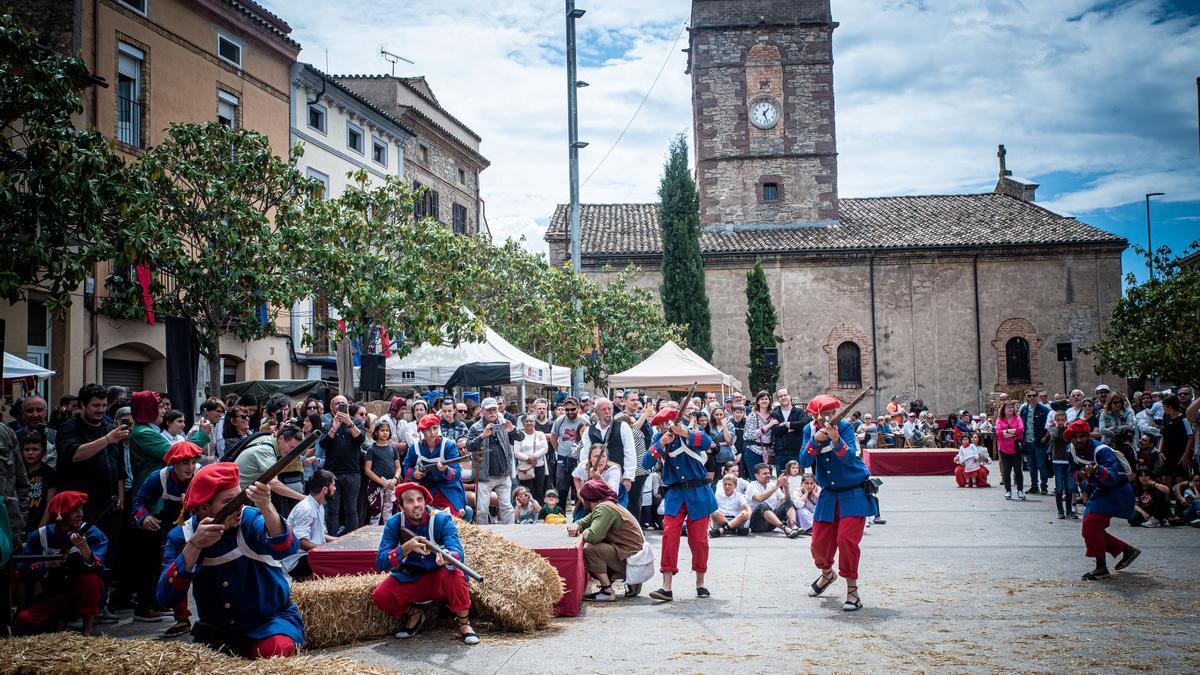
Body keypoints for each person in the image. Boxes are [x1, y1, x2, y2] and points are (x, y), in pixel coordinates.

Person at [157, 463, 303, 658]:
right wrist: (194, 547)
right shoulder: (182, 537)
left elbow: (286, 548)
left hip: (269, 624)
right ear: (203, 508)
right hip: (217, 634)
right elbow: (166, 597)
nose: (238, 508)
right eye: (228, 502)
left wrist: (266, 505)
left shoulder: (249, 520)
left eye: (239, 498)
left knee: (274, 651)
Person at [372, 482, 478, 645]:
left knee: (456, 574)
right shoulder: (394, 523)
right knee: (381, 595)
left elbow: (458, 551)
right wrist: (406, 548)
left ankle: (464, 623)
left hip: (440, 578)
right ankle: (415, 614)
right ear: (401, 506)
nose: (416, 505)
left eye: (419, 500)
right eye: (410, 501)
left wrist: (449, 556)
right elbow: (381, 561)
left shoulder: (442, 519)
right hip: (412, 578)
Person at [799, 395, 877, 612]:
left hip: (853, 493)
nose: (830, 417)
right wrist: (815, 442)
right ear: (816, 416)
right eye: (825, 413)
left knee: (846, 541)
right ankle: (827, 575)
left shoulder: (844, 428)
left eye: (833, 412)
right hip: (829, 494)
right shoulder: (809, 430)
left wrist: (835, 440)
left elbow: (850, 458)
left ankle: (853, 591)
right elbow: (803, 461)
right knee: (818, 544)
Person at [643, 406, 718, 601]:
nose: (663, 427)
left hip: (698, 492)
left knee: (699, 540)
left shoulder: (689, 433)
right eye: (660, 425)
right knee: (669, 535)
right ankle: (666, 587)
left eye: (666, 423)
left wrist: (683, 432)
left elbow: (709, 442)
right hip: (675, 493)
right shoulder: (658, 439)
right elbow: (645, 463)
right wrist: (661, 443)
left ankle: (700, 582)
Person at [131, 440, 202, 634]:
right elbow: (139, 501)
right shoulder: (159, 478)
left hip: (201, 525)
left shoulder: (202, 476)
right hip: (173, 529)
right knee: (174, 570)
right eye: (185, 463)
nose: (190, 467)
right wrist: (144, 517)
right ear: (174, 464)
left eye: (192, 462)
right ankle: (181, 619)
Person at [14, 491, 107, 635]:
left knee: (91, 581)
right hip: (52, 593)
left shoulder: (91, 532)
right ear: (61, 514)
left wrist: (85, 550)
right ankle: (57, 621)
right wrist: (48, 564)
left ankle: (87, 629)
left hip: (81, 592)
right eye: (74, 510)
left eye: (81, 509)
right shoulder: (41, 536)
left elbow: (99, 567)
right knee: (24, 620)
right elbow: (24, 570)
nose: (80, 514)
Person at [1064, 420, 1140, 581]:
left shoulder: (1101, 450)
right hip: (1101, 490)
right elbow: (1073, 472)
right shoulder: (1071, 450)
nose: (1079, 440)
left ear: (1088, 436)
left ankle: (1101, 567)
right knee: (1088, 529)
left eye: (1082, 436)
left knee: (1091, 524)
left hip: (1118, 491)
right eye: (1075, 437)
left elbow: (1112, 477)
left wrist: (1098, 471)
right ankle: (1125, 550)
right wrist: (1082, 475)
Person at [568, 479, 652, 601]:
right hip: (633, 556)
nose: (582, 502)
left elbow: (593, 536)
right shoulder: (607, 505)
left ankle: (607, 591)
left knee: (590, 548)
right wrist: (576, 526)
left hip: (632, 560)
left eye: (583, 499)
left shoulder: (604, 508)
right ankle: (631, 581)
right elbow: (582, 522)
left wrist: (583, 531)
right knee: (599, 544)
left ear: (590, 499)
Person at [467, 398, 522, 525]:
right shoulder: (476, 427)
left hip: (503, 474)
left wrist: (512, 430)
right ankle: (484, 537)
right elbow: (469, 446)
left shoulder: (504, 423)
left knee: (507, 507)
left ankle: (511, 536)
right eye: (489, 410)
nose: (492, 412)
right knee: (481, 510)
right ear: (482, 411)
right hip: (484, 476)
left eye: (494, 409)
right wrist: (482, 436)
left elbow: (521, 437)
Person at [403, 413, 468, 518]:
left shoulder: (448, 446)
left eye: (435, 428)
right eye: (428, 429)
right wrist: (414, 473)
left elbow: (457, 472)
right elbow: (406, 466)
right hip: (427, 487)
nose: (432, 432)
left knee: (452, 515)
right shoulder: (415, 447)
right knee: (424, 516)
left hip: (449, 487)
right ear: (422, 431)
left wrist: (446, 470)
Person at [234, 426, 307, 518]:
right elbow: (274, 484)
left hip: (245, 493)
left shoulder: (268, 438)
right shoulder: (266, 451)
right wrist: (303, 498)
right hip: (237, 498)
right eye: (291, 447)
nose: (292, 452)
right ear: (281, 438)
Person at [320, 397, 365, 535]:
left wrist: (350, 424)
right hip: (332, 473)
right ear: (331, 406)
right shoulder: (327, 424)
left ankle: (352, 540)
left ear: (348, 405)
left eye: (343, 404)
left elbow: (361, 439)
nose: (340, 405)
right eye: (336, 403)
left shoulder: (356, 421)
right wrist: (334, 429)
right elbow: (323, 444)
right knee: (333, 510)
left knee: (351, 509)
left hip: (352, 472)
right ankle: (332, 540)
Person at [284, 470, 339, 582]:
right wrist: (325, 550)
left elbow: (319, 534)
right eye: (333, 486)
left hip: (310, 554)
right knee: (336, 561)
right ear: (324, 489)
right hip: (296, 560)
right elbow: (300, 541)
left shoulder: (319, 506)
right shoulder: (306, 509)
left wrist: (339, 541)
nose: (335, 489)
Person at [587, 397, 637, 506]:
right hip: (596, 477)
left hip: (618, 476)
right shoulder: (589, 430)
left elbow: (630, 452)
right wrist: (586, 474)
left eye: (609, 409)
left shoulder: (622, 427)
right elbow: (584, 454)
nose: (607, 412)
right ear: (596, 412)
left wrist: (628, 477)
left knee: (619, 509)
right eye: (603, 409)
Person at [549, 397, 589, 505]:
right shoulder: (560, 421)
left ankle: (579, 518)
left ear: (578, 408)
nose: (570, 412)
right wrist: (559, 450)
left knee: (579, 491)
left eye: (573, 409)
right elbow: (553, 437)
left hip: (579, 460)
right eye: (567, 410)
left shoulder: (584, 421)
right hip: (563, 460)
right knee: (561, 491)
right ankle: (561, 517)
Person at [746, 463, 800, 537]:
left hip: (772, 523)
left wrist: (786, 488)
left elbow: (785, 501)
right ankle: (784, 528)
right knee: (763, 505)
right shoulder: (751, 485)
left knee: (789, 502)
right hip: (757, 524)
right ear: (756, 476)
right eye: (765, 473)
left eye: (769, 473)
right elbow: (760, 498)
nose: (768, 475)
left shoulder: (772, 485)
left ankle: (793, 526)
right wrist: (777, 486)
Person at [364, 421, 401, 526]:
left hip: (390, 485)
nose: (385, 433)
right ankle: (374, 536)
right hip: (376, 486)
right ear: (376, 432)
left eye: (387, 430)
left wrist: (395, 479)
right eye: (382, 430)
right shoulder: (372, 449)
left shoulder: (393, 448)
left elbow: (398, 467)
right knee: (376, 512)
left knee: (388, 512)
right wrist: (381, 482)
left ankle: (387, 535)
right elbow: (367, 470)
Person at [1019, 389, 1052, 495]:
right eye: (1030, 395)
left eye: (1034, 395)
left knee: (1042, 464)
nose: (1032, 397)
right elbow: (1021, 424)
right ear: (1026, 397)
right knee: (1031, 465)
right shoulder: (1024, 409)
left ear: (1037, 397)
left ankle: (1044, 487)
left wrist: (1045, 437)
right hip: (1027, 441)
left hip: (1039, 441)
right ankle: (1034, 486)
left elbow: (1049, 425)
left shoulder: (1044, 410)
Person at [20, 431, 56, 528]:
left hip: (38, 524)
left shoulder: (49, 474)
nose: (30, 453)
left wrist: (40, 528)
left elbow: (50, 504)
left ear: (44, 452)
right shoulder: (17, 472)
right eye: (26, 449)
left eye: (35, 449)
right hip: (18, 523)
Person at [768, 388, 808, 474]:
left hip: (796, 452)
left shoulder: (799, 412)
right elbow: (775, 430)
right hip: (780, 453)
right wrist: (793, 427)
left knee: (798, 479)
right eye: (780, 396)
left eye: (785, 395)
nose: (783, 397)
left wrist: (787, 424)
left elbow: (804, 424)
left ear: (789, 396)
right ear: (778, 399)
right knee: (782, 481)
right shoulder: (775, 414)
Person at [514, 416, 549, 503]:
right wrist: (527, 458)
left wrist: (534, 456)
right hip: (525, 468)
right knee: (527, 492)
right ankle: (527, 512)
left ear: (534, 423)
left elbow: (545, 448)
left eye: (531, 421)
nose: (529, 423)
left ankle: (539, 513)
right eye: (527, 421)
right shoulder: (519, 435)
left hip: (539, 466)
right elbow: (516, 452)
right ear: (523, 423)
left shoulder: (540, 434)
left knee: (539, 491)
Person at [995, 402, 1025, 500]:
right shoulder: (999, 420)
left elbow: (1021, 430)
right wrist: (1013, 432)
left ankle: (1020, 490)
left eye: (1012, 407)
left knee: (1018, 470)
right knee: (1006, 471)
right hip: (1003, 449)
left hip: (1016, 448)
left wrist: (1006, 432)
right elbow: (999, 433)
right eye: (1008, 407)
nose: (1011, 409)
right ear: (1004, 410)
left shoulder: (1018, 418)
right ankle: (1008, 490)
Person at [743, 391, 775, 476]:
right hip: (753, 450)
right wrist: (768, 425)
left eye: (766, 399)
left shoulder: (773, 415)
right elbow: (750, 435)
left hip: (767, 452)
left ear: (769, 401)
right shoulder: (752, 416)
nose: (764, 401)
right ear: (758, 401)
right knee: (755, 478)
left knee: (766, 479)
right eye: (762, 399)